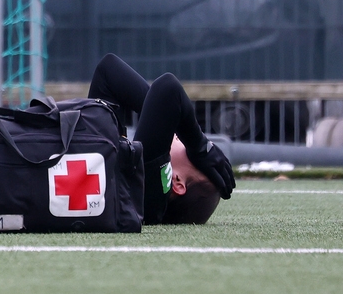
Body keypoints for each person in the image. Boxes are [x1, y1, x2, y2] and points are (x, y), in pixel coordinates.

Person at [86, 53, 236, 224]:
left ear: (177, 182)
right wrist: (162, 114)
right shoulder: (118, 164)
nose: (180, 136)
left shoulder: (149, 195)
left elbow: (168, 88)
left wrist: (200, 147)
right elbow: (108, 70)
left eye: (186, 147)